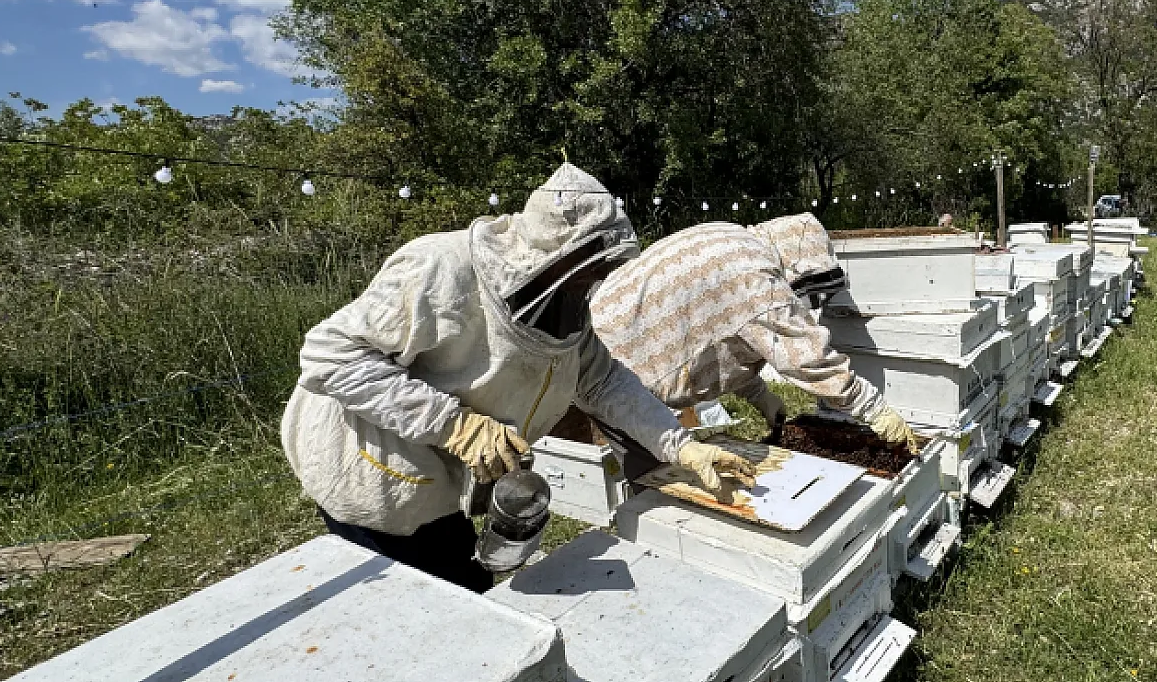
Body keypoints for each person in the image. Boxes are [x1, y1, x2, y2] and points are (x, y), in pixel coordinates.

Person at [281, 163, 756, 591]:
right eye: (593, 271)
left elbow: (604, 381)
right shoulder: (441, 269)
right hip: (371, 472)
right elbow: (331, 356)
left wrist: (682, 445)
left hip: (442, 487)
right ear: (559, 257)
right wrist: (456, 427)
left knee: (462, 591)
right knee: (404, 613)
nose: (596, 283)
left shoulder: (565, 307)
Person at [589, 213, 921, 464]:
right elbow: (804, 356)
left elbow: (716, 338)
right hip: (606, 369)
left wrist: (758, 393)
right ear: (800, 263)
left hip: (596, 344)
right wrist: (873, 407)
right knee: (655, 478)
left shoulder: (735, 239)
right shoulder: (753, 273)